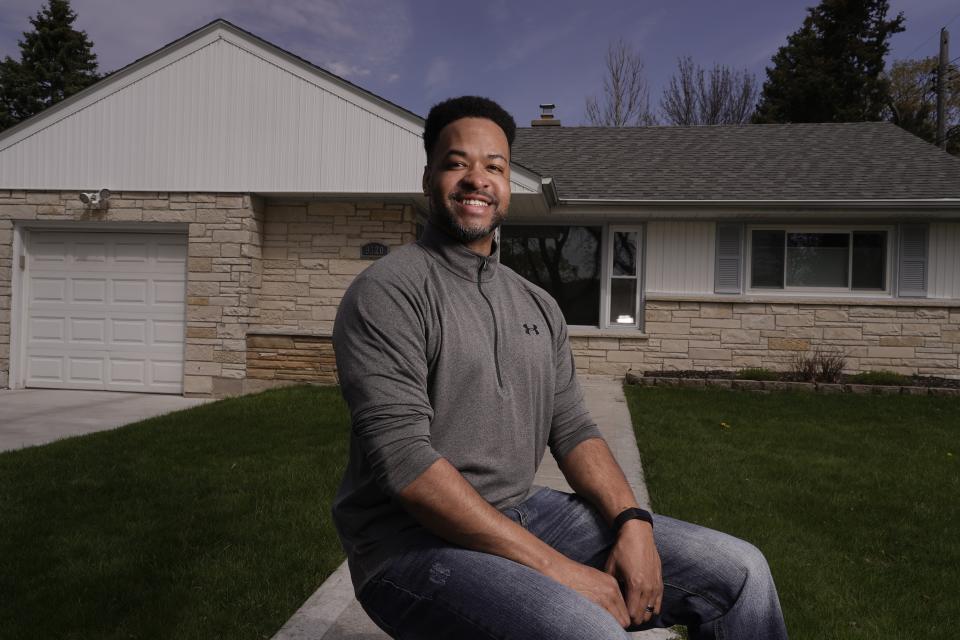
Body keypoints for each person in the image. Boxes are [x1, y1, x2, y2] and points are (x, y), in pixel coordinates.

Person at [331, 95, 788, 639]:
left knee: (742, 573)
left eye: (494, 167)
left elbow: (572, 428)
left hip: (525, 511)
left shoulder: (537, 304)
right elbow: (405, 465)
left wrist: (633, 523)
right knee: (588, 630)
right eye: (457, 163)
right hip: (407, 547)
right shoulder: (389, 291)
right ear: (429, 177)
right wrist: (563, 572)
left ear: (508, 185)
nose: (477, 178)